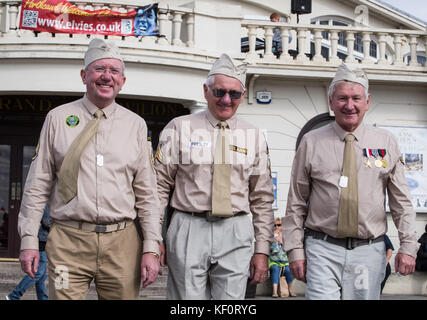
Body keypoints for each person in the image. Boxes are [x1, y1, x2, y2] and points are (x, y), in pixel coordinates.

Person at [17, 38, 162, 300]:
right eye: (99, 69)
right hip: (66, 244)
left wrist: (151, 247)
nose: (107, 76)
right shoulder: (57, 118)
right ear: (84, 75)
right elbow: (37, 185)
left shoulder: (136, 125)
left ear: (123, 81)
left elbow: (148, 193)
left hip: (122, 244)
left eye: (114, 71)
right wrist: (28, 241)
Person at [283, 63, 419, 300]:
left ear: (367, 101)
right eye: (342, 98)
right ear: (331, 102)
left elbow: (401, 202)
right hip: (322, 247)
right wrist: (295, 250)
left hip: (369, 250)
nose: (349, 105)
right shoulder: (311, 142)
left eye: (356, 98)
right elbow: (296, 201)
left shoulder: (386, 142)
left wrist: (408, 246)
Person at [155, 53, 274, 299]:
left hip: (236, 228)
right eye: (219, 92)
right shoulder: (178, 128)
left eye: (235, 94)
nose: (226, 100)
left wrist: (262, 250)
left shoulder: (254, 136)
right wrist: (154, 239)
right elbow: (158, 187)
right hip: (188, 225)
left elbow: (262, 198)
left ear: (242, 96)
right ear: (206, 91)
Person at [6, 205, 51, 300]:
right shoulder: (46, 203)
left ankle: (43, 298)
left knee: (42, 276)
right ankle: (14, 296)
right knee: (38, 272)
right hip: (40, 241)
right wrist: (60, 226)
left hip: (44, 241)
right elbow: (46, 222)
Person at [268, 218, 296, 298]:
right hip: (274, 261)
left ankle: (290, 290)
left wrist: (281, 242)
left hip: (285, 261)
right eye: (275, 225)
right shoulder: (271, 237)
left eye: (279, 225)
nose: (276, 227)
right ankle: (275, 292)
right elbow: (272, 250)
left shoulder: (286, 236)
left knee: (289, 271)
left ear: (282, 226)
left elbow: (289, 248)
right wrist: (274, 241)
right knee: (275, 270)